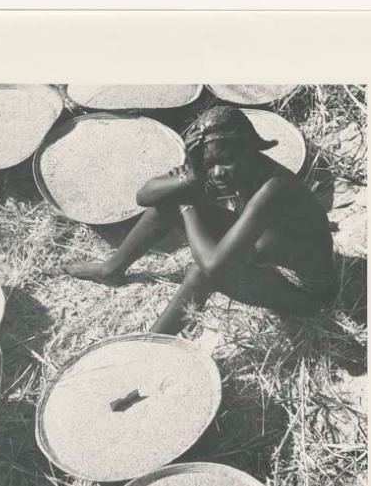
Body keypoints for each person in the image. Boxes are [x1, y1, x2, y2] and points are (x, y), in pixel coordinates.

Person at [63, 105, 337, 335]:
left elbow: (213, 265)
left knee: (199, 274)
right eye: (209, 164)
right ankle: (112, 269)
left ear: (252, 149)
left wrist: (188, 207)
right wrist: (193, 176)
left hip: (307, 295)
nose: (217, 173)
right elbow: (144, 197)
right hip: (264, 253)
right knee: (168, 204)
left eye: (227, 160)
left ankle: (151, 347)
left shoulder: (273, 188)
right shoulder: (233, 172)